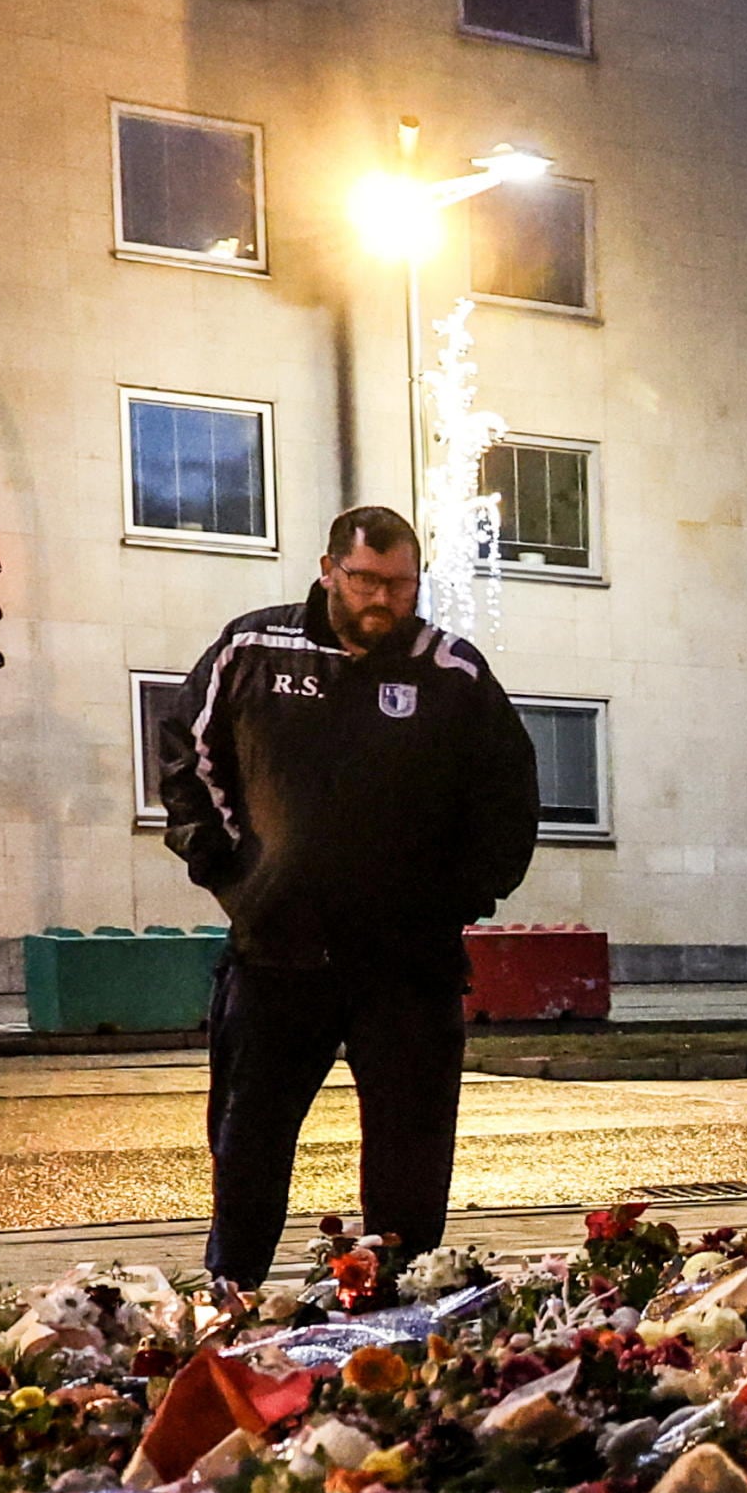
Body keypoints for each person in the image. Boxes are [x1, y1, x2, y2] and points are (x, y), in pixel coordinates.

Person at [153, 509, 540, 1290]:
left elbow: (508, 794)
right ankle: (235, 1293)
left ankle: (400, 1295)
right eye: (366, 579)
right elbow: (186, 754)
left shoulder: (451, 671)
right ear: (329, 567)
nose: (384, 599)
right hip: (275, 953)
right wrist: (232, 870)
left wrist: (464, 892)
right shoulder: (252, 649)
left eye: (401, 584)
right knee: (249, 1139)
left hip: (409, 964)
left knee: (410, 1151)